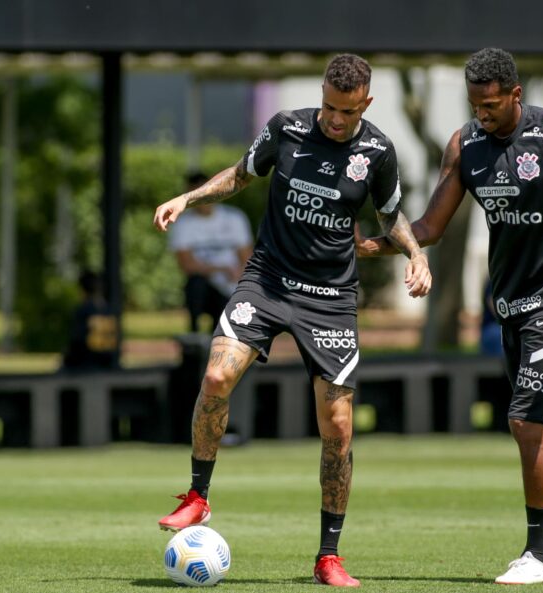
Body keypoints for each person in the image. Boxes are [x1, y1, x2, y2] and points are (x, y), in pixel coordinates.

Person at [357, 48, 543, 584]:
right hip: (510, 304)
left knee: (526, 422)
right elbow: (430, 226)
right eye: (475, 104)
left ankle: (537, 558)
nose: (483, 114)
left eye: (492, 105)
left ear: (515, 95)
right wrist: (373, 245)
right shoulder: (465, 145)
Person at [153, 54, 431, 587]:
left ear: (365, 105)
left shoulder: (377, 151)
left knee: (340, 428)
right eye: (328, 105)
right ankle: (198, 496)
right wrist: (187, 198)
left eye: (345, 111)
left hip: (329, 298)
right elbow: (240, 175)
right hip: (268, 279)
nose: (333, 118)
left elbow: (390, 217)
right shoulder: (287, 127)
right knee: (215, 375)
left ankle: (329, 556)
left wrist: (416, 256)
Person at [168, 172, 254, 333]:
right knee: (196, 285)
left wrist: (237, 278)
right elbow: (186, 264)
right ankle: (195, 335)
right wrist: (220, 270)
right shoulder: (183, 224)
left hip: (232, 285)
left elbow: (247, 258)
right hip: (206, 287)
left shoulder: (234, 218)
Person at [62, 270, 120, 370]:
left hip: (87, 365)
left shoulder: (84, 311)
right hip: (108, 364)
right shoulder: (110, 311)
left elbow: (77, 343)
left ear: (83, 290)